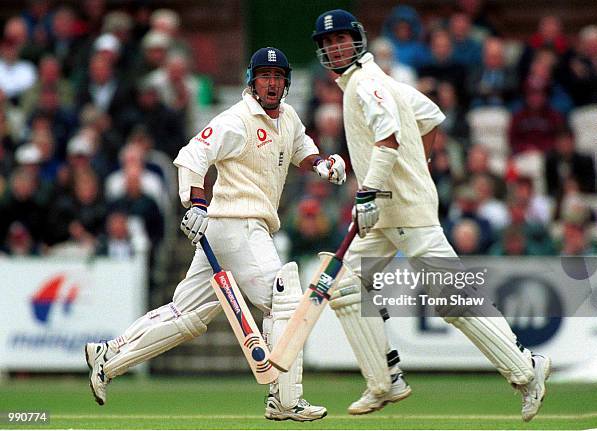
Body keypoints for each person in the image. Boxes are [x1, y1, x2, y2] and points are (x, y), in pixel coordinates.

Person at [311, 9, 551, 422]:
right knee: (343, 283)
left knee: (451, 300)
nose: (336, 48)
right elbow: (431, 116)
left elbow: (387, 140)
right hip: (388, 211)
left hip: (403, 209)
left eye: (342, 40)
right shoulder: (381, 82)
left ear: (358, 40)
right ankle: (385, 380)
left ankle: (527, 369)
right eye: (328, 44)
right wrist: (412, 169)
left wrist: (371, 192)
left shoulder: (367, 84)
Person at [85, 46, 346, 422]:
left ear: (286, 83)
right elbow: (193, 155)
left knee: (186, 315)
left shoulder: (287, 118)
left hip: (233, 231)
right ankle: (285, 400)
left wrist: (324, 163)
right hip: (237, 224)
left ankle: (108, 355)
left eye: (277, 78)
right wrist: (196, 204)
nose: (271, 84)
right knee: (284, 297)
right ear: (252, 82)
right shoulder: (237, 120)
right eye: (264, 77)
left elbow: (303, 151)